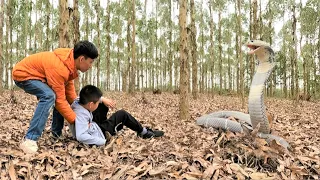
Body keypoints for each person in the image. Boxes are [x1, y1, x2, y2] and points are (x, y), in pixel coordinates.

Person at [12, 40, 99, 154]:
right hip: (23, 74)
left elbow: (70, 96)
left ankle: (56, 135)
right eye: (90, 62)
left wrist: (82, 107)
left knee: (59, 97)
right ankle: (30, 140)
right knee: (50, 96)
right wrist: (78, 121)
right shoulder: (59, 68)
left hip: (37, 76)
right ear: (82, 59)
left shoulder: (69, 64)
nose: (90, 66)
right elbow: (59, 101)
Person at [71, 85, 164, 146]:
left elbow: (85, 99)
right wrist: (102, 141)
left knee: (103, 105)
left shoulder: (78, 102)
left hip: (93, 125)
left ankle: (105, 122)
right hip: (99, 132)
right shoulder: (81, 116)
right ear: (91, 104)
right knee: (122, 114)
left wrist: (102, 100)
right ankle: (144, 132)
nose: (97, 103)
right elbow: (80, 136)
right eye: (96, 103)